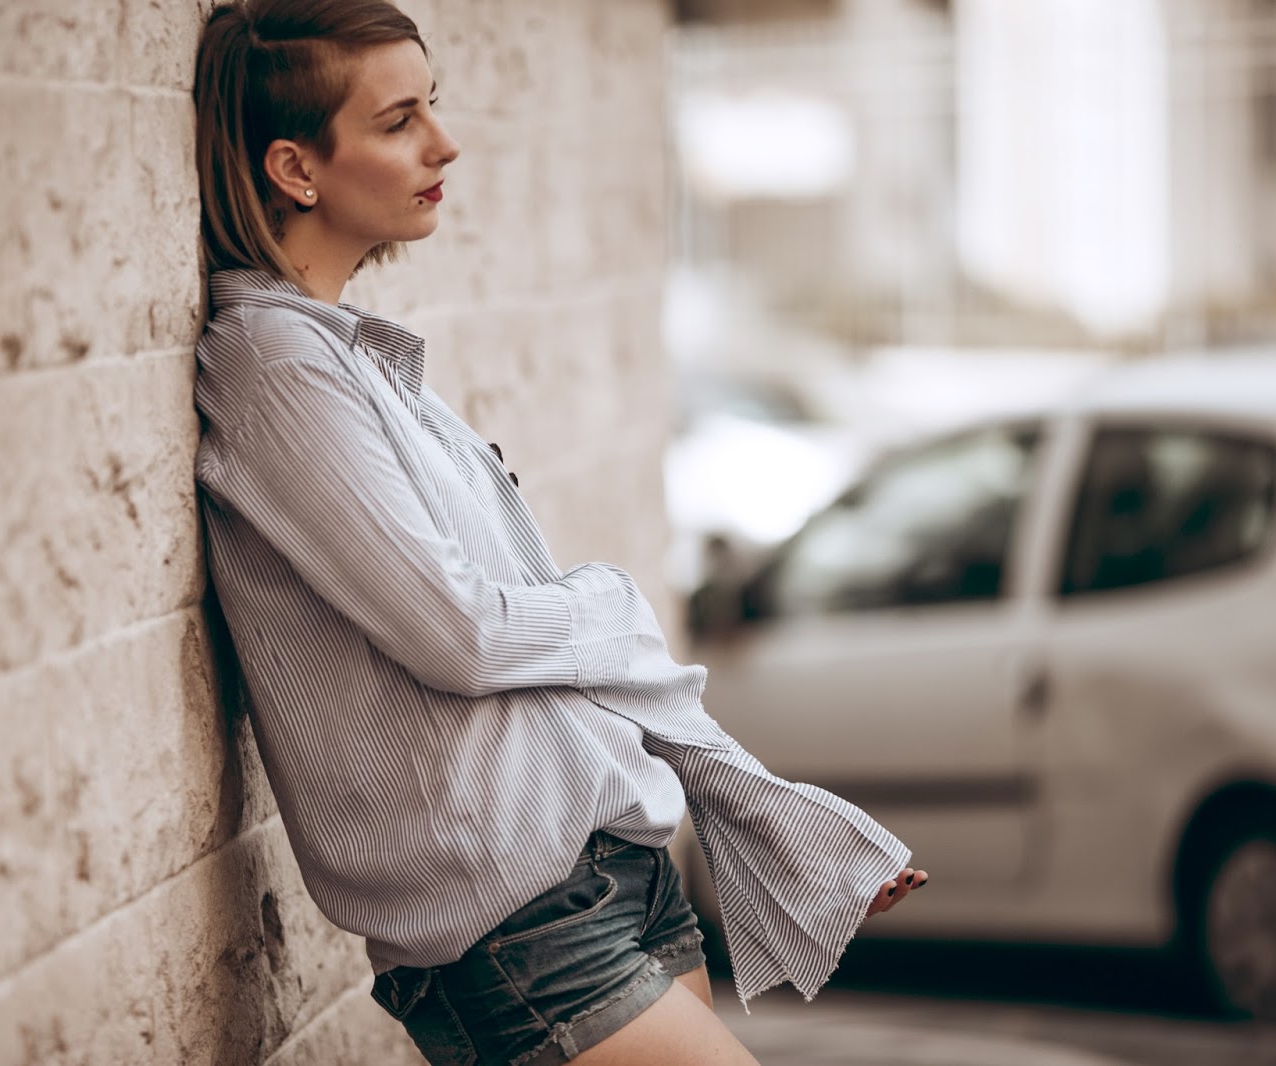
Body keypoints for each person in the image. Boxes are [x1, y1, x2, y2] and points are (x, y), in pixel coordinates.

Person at [189, 2, 927, 1063]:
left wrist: (749, 796)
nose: (444, 144)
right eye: (398, 121)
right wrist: (608, 600)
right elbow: (462, 634)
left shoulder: (360, 363)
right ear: (295, 169)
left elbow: (515, 642)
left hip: (618, 874)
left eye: (432, 106)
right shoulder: (274, 363)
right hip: (520, 925)